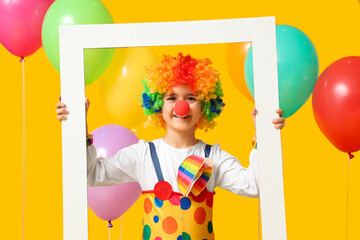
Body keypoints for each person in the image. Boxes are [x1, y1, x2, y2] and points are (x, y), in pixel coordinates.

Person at [56, 53, 285, 240]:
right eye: (172, 97)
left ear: (205, 104)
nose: (182, 106)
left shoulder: (213, 157)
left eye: (191, 97)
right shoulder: (143, 155)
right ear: (157, 103)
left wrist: (263, 135)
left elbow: (254, 185)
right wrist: (78, 126)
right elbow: (90, 174)